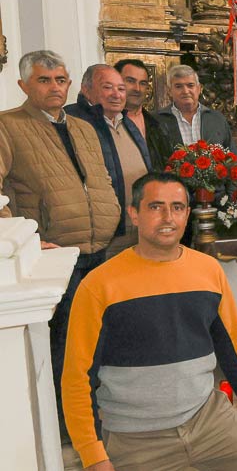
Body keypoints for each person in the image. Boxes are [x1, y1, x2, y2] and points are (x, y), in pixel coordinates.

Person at [62, 172, 237, 471]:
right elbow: (76, 378)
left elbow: (232, 346)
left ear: (188, 214)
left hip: (210, 422)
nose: (167, 217)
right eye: (155, 206)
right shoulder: (100, 286)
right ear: (134, 213)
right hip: (136, 439)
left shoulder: (208, 271)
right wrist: (93, 453)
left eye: (177, 207)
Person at [0, 50, 120, 431]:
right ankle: (68, 428)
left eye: (61, 79)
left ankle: (92, 417)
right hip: (53, 256)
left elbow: (99, 178)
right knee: (63, 349)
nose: (55, 87)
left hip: (98, 250)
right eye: (44, 80)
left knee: (96, 342)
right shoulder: (7, 126)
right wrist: (25, 239)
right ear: (23, 85)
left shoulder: (83, 126)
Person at [66, 64, 152, 257]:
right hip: (101, 237)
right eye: (107, 87)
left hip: (135, 230)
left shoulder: (127, 122)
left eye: (121, 89)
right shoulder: (71, 121)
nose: (116, 94)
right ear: (86, 90)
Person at [155, 65, 236, 153]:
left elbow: (232, 160)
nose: (185, 91)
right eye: (178, 86)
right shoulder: (156, 121)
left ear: (199, 89)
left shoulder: (217, 119)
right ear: (169, 91)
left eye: (190, 85)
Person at [115, 59, 176, 168]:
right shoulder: (106, 121)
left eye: (142, 83)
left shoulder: (158, 124)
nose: (137, 89)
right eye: (131, 81)